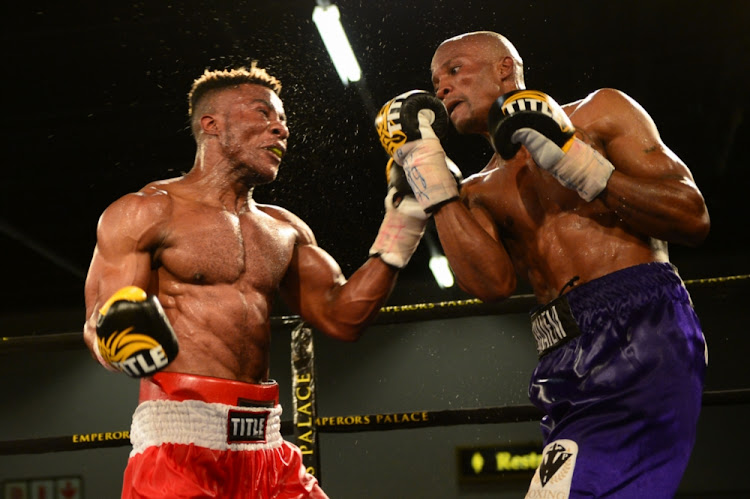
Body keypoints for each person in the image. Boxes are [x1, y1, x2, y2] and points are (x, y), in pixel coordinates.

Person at [377, 31, 710, 497]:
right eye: (435, 83)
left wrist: (579, 162)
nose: (442, 89)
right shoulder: (475, 190)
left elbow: (692, 216)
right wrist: (432, 180)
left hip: (639, 327)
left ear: (504, 69)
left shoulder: (599, 111)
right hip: (559, 361)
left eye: (454, 71)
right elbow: (490, 284)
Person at [82, 64, 429, 498]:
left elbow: (344, 317)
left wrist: (404, 220)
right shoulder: (146, 212)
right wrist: (117, 342)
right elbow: (101, 321)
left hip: (266, 444)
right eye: (263, 114)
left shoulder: (284, 229)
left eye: (282, 120)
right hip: (180, 443)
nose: (280, 129)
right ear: (211, 124)